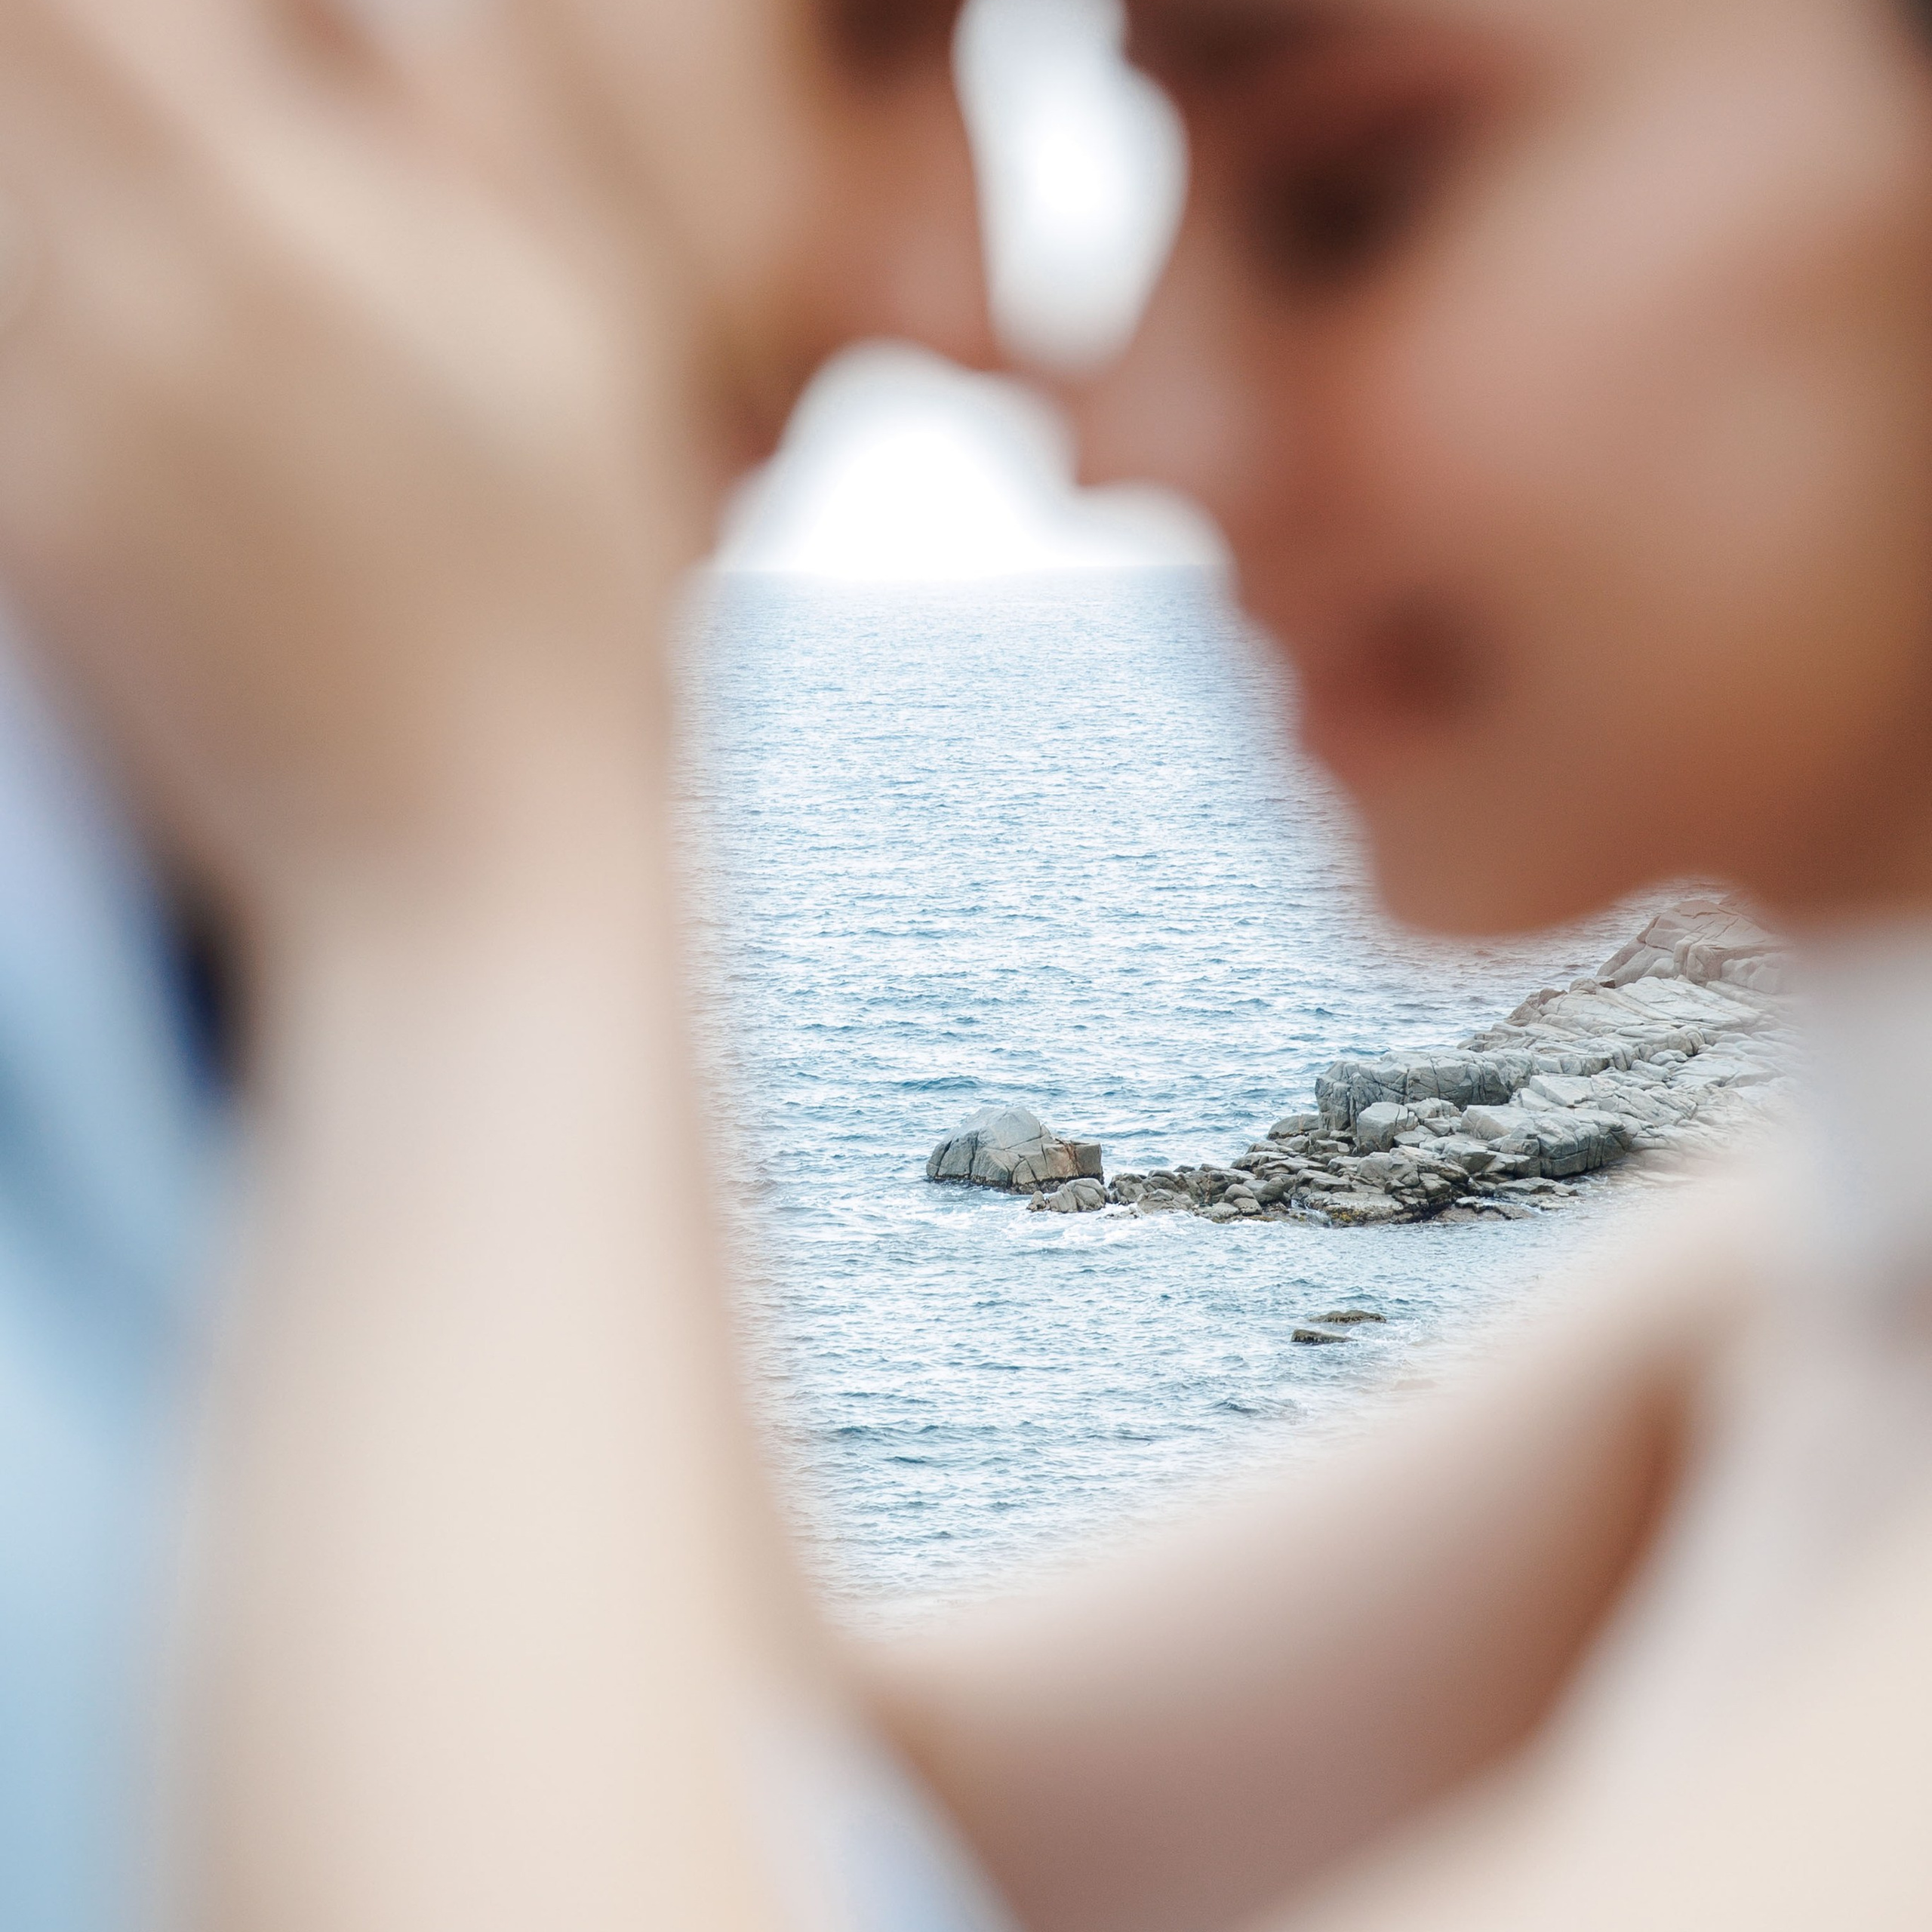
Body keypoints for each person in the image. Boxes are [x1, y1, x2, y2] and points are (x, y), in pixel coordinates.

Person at [2, 2, 1932, 1931]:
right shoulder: (1790, 1300)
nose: (1117, 425)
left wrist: (479, 872)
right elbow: (815, 1791)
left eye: (1347, 202)